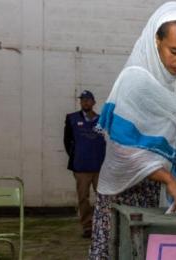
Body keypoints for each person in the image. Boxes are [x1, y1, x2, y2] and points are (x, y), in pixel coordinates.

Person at [89, 2, 176, 258]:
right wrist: (169, 179)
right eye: (175, 51)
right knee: (118, 250)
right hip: (122, 194)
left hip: (152, 192)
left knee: (145, 251)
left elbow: (172, 131)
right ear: (156, 41)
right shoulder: (134, 81)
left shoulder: (175, 87)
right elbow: (123, 149)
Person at [64, 90, 106, 238]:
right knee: (83, 198)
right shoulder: (72, 119)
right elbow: (67, 141)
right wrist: (77, 156)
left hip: (99, 167)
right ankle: (87, 226)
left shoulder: (102, 120)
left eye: (88, 100)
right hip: (81, 167)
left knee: (103, 198)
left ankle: (102, 225)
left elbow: (106, 141)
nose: (85, 102)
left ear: (94, 102)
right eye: (83, 100)